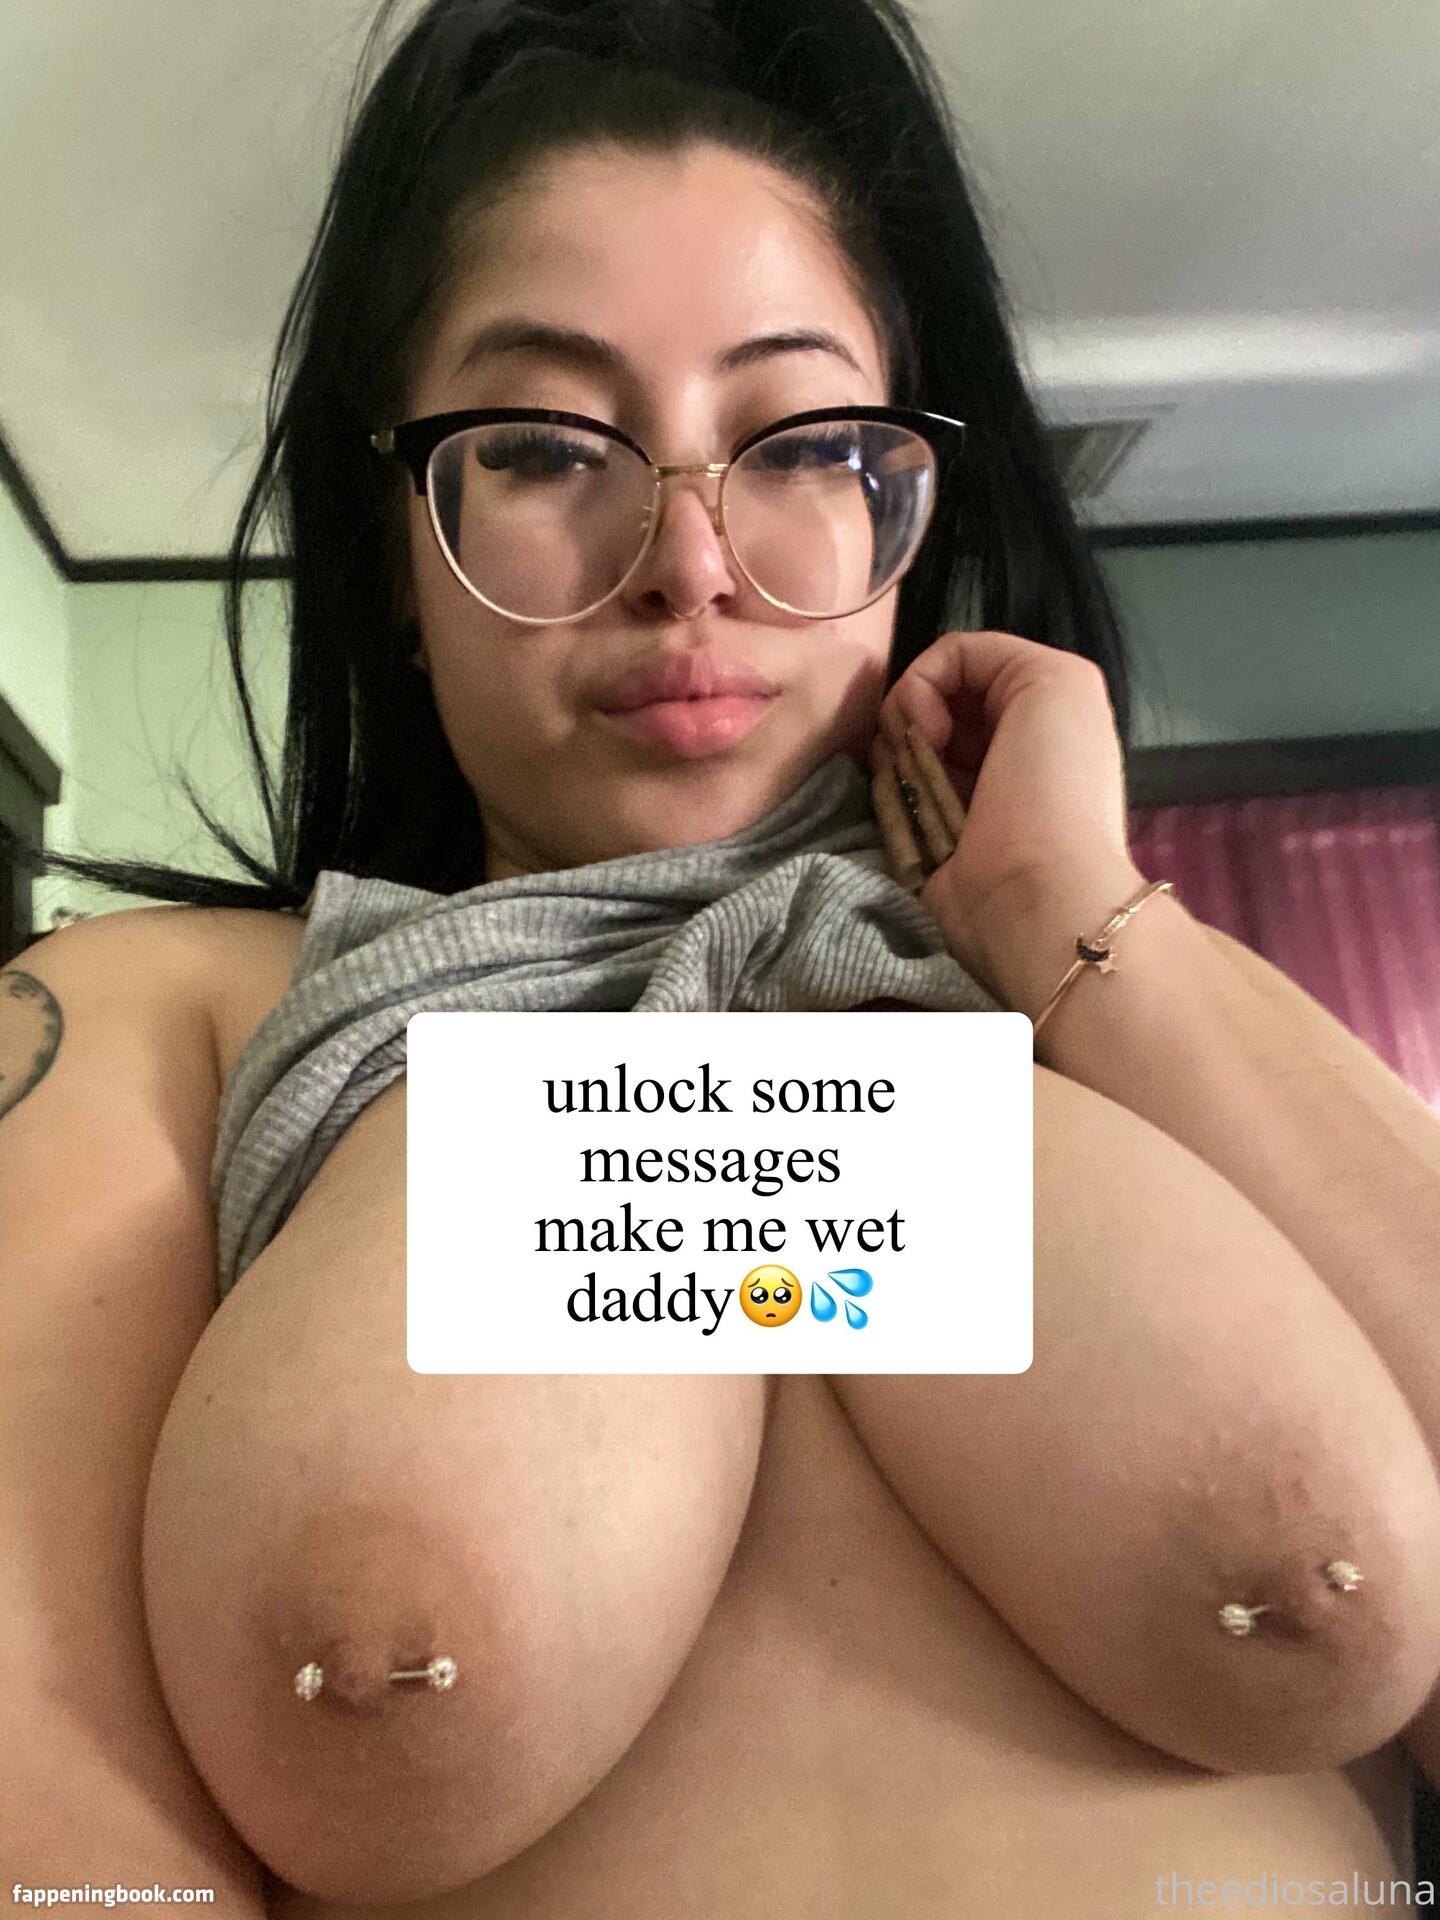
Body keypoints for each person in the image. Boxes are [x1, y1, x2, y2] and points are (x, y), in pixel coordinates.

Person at [5, 0, 1440, 1911]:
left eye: (803, 440)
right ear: (399, 539)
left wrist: (1067, 920)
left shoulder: (1119, 999)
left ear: (903, 501)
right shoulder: (151, 1019)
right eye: (543, 445)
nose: (689, 564)